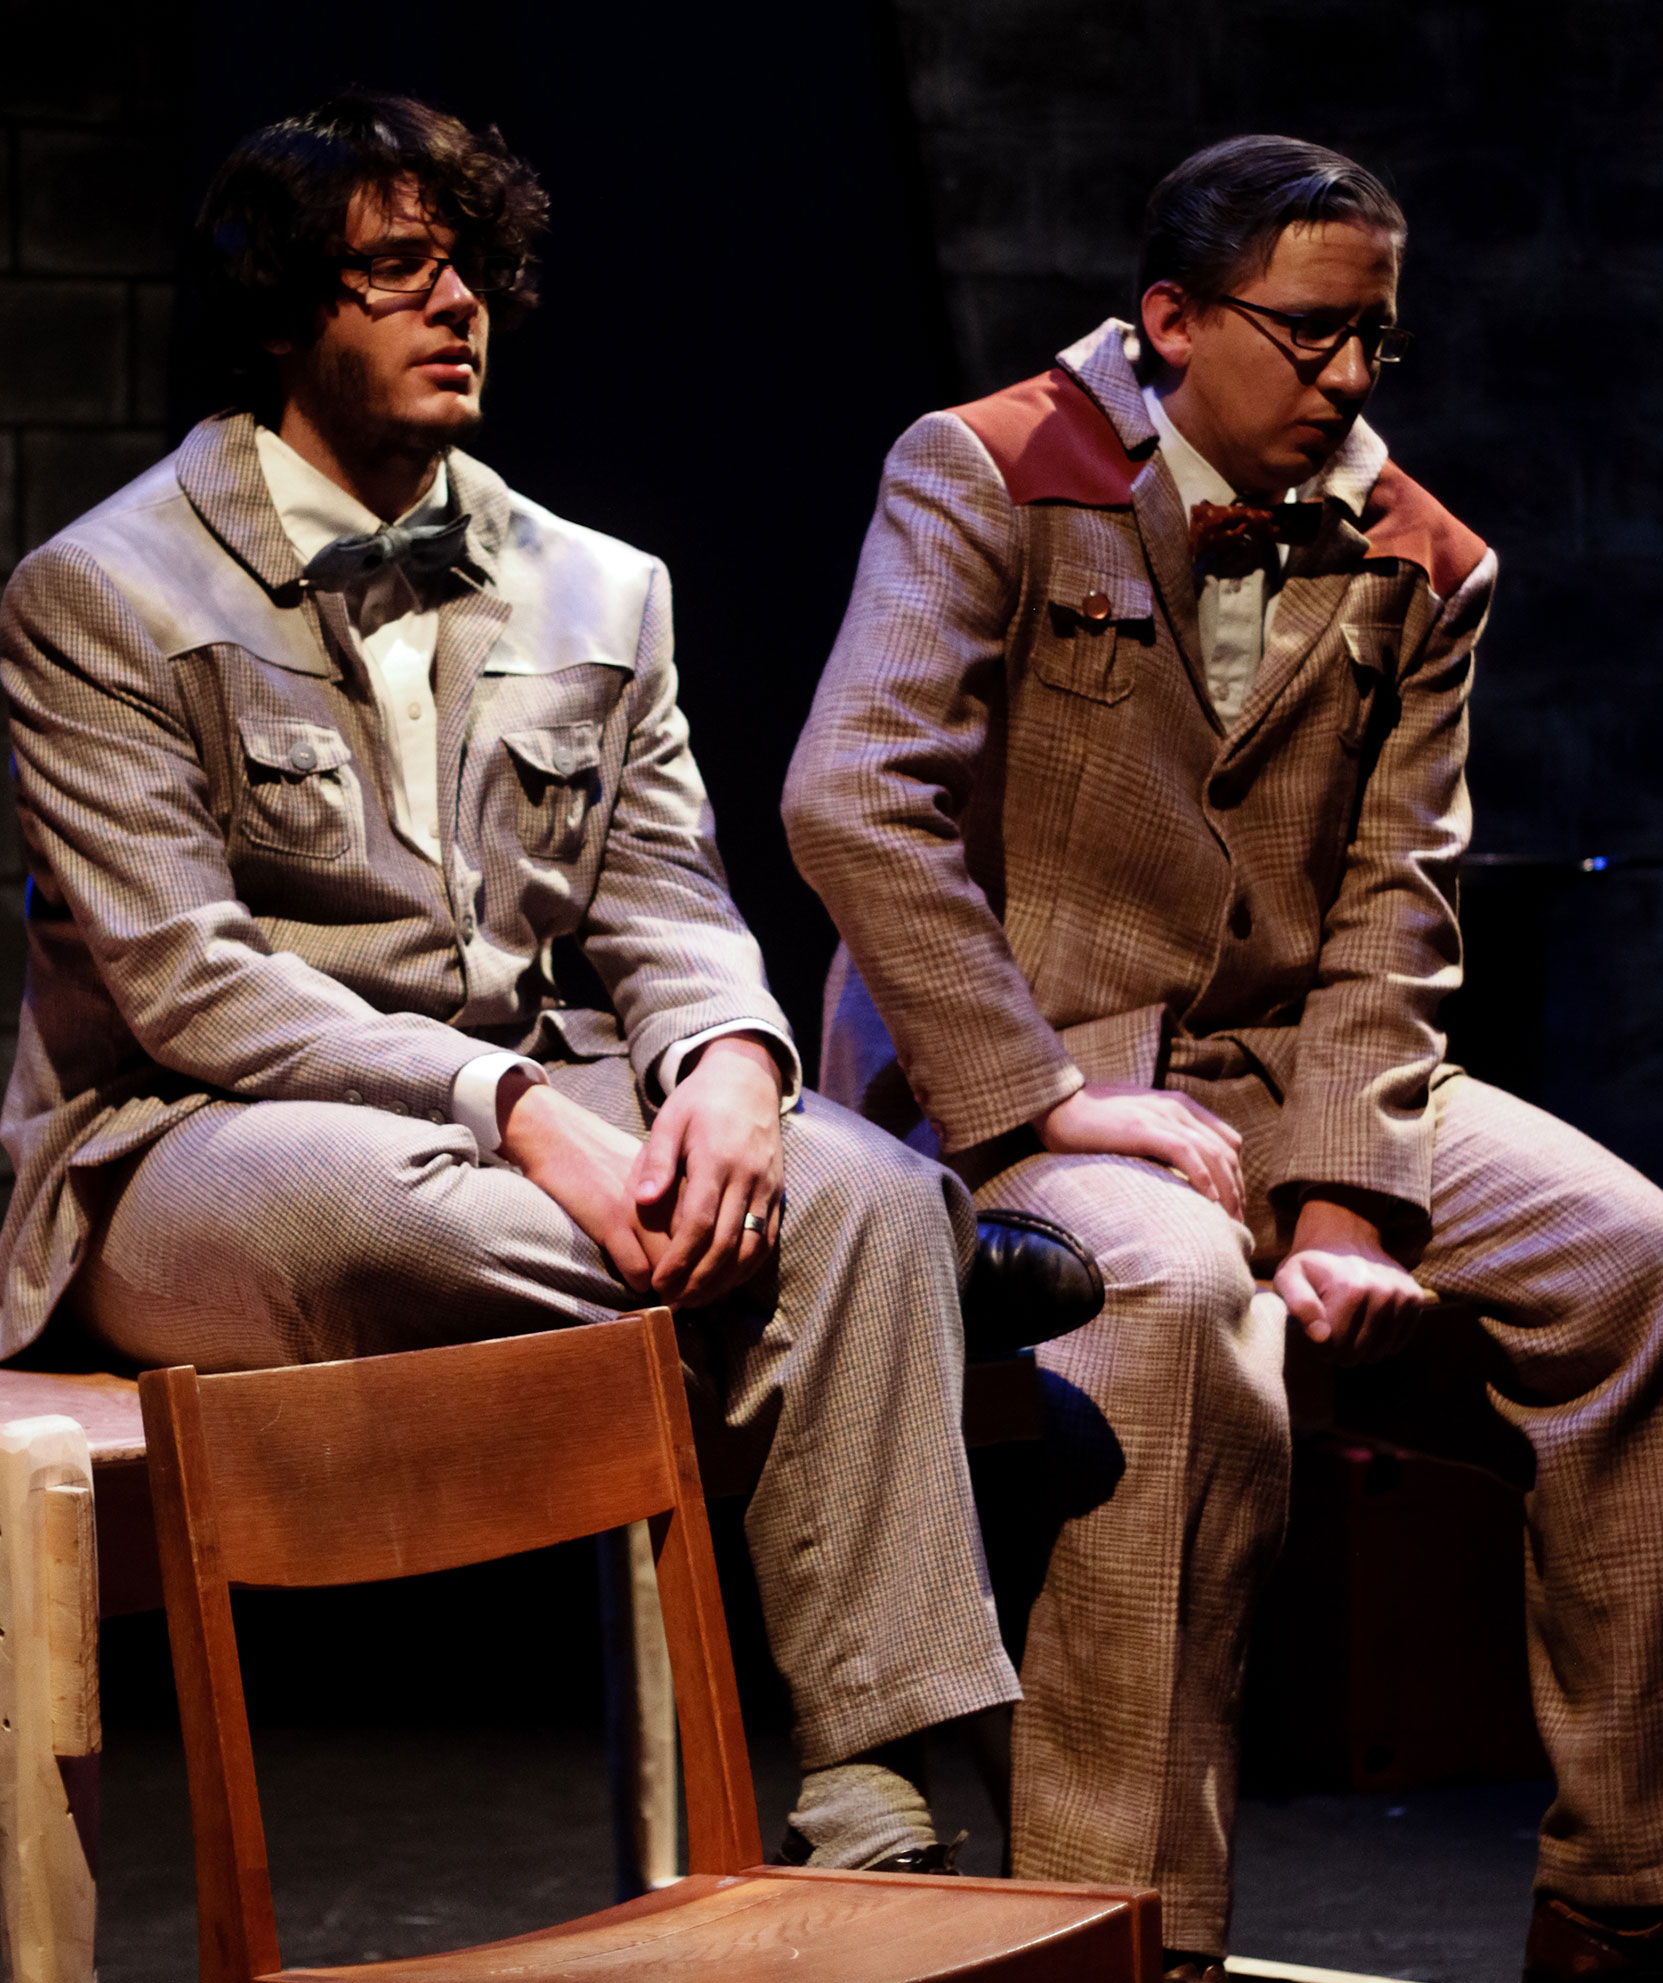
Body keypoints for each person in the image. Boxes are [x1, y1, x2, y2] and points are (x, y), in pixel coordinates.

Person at [0, 89, 1029, 1873]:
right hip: (197, 1139)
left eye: (470, 266)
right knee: (406, 1211)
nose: (456, 301)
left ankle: (879, 1790)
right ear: (280, 313)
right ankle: (905, 1279)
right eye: (397, 269)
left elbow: (670, 900)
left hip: (553, 1106)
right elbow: (189, 986)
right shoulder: (98, 589)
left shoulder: (600, 586)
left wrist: (723, 1059)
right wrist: (507, 1104)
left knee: (838, 1183)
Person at [784, 133, 1663, 1983]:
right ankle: (1135, 1940)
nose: (1352, 380)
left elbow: (1398, 900)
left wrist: (1357, 1191)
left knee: (1644, 1264)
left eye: (1378, 342)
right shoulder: (984, 469)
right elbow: (853, 804)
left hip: (1289, 1067)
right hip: (1020, 1069)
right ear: (1174, 319)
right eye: (1311, 339)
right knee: (1179, 1292)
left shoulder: (1422, 555)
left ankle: (1632, 1898)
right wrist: (1041, 1099)